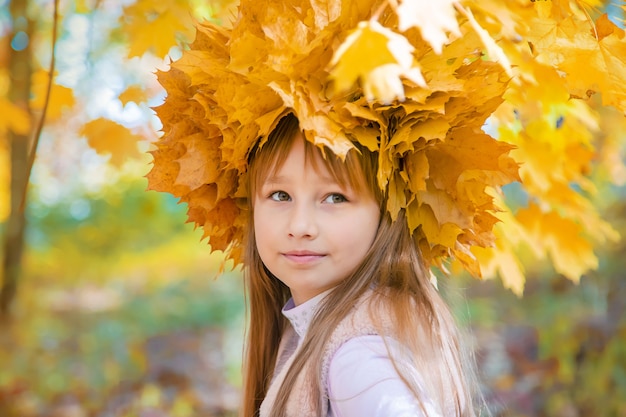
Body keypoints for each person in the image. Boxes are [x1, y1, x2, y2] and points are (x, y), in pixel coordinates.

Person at [240, 113, 479, 417]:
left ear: (388, 213)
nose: (300, 226)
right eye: (280, 195)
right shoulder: (308, 333)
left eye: (335, 198)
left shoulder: (359, 358)